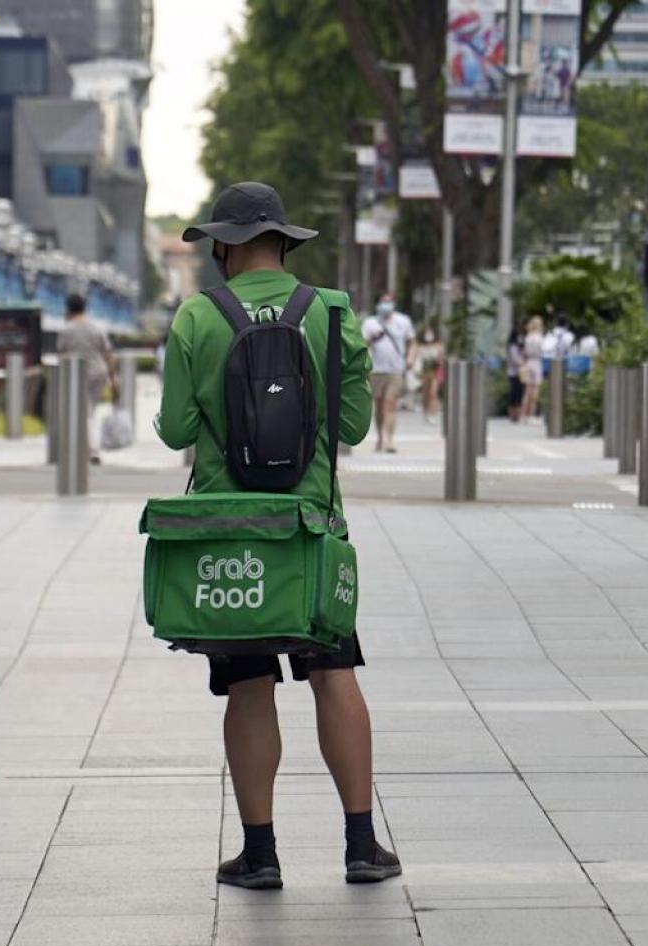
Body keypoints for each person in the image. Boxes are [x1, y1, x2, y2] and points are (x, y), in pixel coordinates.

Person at [155, 181, 401, 889]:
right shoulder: (331, 313)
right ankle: (361, 846)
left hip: (232, 533)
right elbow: (352, 427)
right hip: (313, 530)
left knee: (250, 687)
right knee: (334, 674)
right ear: (286, 242)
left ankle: (260, 854)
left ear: (226, 247)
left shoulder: (198, 316)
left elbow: (173, 429)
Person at [56, 293, 116, 465]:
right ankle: (87, 447)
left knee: (86, 412)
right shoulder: (96, 328)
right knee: (89, 410)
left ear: (68, 309)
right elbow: (107, 354)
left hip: (78, 373)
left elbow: (61, 353)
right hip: (99, 372)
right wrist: (114, 379)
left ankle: (93, 449)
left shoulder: (66, 330)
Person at [361, 292, 416, 453]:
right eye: (383, 302)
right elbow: (362, 345)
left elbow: (412, 342)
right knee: (378, 406)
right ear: (378, 304)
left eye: (389, 302)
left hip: (395, 370)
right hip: (376, 370)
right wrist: (372, 340)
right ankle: (380, 437)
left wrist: (410, 358)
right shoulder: (370, 323)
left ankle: (389, 439)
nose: (386, 305)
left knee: (390, 404)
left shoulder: (403, 321)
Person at [416, 322, 444, 424]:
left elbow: (441, 359)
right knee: (425, 394)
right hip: (424, 372)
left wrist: (438, 360)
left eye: (430, 332)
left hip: (435, 371)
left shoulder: (439, 346)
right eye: (427, 333)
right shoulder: (419, 346)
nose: (429, 335)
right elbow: (417, 359)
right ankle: (426, 412)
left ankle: (432, 413)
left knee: (433, 393)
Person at [521, 315, 545, 421]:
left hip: (528, 362)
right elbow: (542, 351)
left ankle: (523, 415)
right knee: (536, 390)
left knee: (527, 391)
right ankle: (531, 415)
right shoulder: (540, 337)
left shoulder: (528, 337)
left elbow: (524, 352)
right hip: (537, 363)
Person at [506, 323, 525, 423]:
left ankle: (517, 414)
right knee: (515, 393)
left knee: (518, 393)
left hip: (517, 372)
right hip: (514, 372)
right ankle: (514, 414)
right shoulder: (513, 346)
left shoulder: (516, 346)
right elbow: (515, 360)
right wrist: (523, 362)